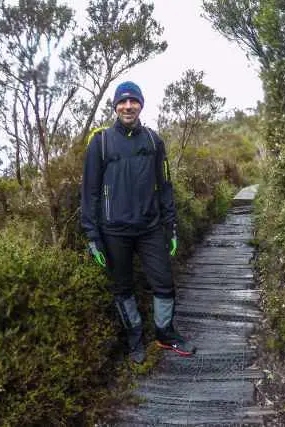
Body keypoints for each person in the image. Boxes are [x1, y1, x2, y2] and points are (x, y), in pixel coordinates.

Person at [81, 81, 196, 363]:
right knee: (123, 288)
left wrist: (170, 226)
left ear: (141, 105)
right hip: (114, 231)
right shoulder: (101, 142)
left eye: (133, 101)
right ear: (116, 107)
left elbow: (165, 185)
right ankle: (135, 341)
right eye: (123, 102)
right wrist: (92, 236)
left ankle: (165, 334)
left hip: (150, 228)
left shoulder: (153, 141)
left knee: (164, 284)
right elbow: (89, 192)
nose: (128, 106)